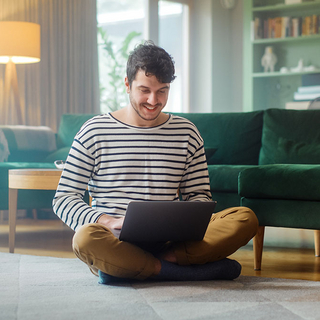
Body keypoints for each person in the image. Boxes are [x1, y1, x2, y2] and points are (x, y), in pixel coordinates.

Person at [53, 41, 258, 284]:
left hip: (173, 241)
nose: (153, 100)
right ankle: (181, 269)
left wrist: (186, 223)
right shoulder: (94, 131)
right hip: (114, 241)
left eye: (162, 90)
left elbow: (199, 196)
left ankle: (140, 267)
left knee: (245, 218)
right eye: (144, 90)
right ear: (127, 85)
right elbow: (64, 198)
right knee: (84, 239)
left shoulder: (187, 132)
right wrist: (106, 221)